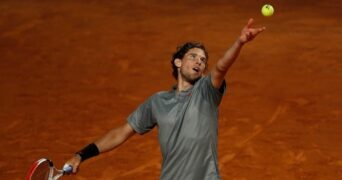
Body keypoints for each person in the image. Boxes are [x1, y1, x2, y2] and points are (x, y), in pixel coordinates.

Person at [65, 18, 265, 180]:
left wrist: (239, 43)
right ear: (178, 62)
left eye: (203, 60)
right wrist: (81, 154)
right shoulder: (157, 102)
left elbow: (221, 67)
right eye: (193, 56)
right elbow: (121, 133)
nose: (199, 62)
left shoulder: (207, 91)